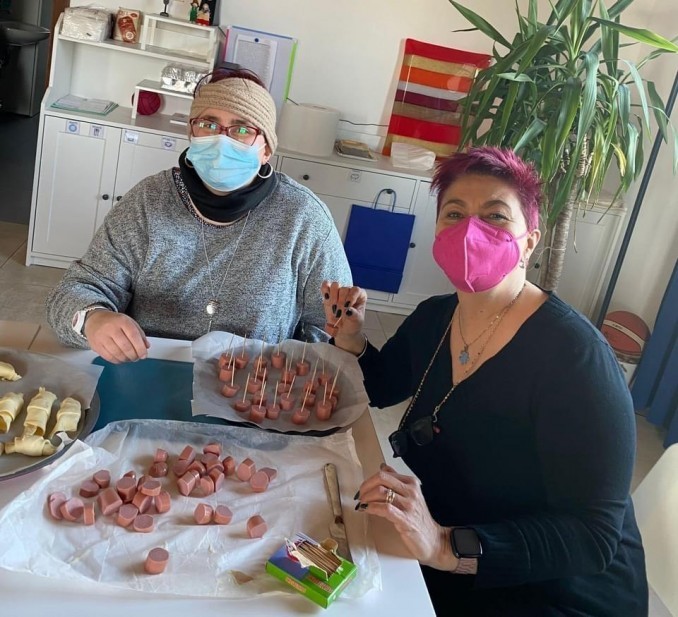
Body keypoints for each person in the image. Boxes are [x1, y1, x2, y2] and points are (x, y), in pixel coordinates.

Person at [322, 147, 647, 616]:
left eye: (495, 216)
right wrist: (352, 338)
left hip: (555, 589)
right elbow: (384, 385)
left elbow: (592, 537)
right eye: (454, 214)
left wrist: (444, 545)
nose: (470, 231)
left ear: (530, 242)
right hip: (454, 551)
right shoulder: (436, 318)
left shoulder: (575, 359)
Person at [47, 69, 351, 364]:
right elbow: (75, 291)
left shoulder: (304, 219)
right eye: (208, 124)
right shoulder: (148, 202)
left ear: (266, 150)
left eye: (242, 129)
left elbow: (330, 326)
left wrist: (293, 372)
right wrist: (93, 319)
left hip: (253, 386)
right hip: (149, 372)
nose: (222, 141)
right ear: (191, 132)